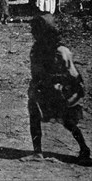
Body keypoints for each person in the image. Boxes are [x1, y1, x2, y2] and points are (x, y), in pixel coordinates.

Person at [22, 14, 91, 165]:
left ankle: (84, 149)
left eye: (36, 29)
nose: (33, 32)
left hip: (56, 91)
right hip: (41, 89)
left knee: (67, 120)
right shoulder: (37, 48)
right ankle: (37, 152)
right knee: (34, 116)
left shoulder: (61, 51)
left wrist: (73, 92)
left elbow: (73, 74)